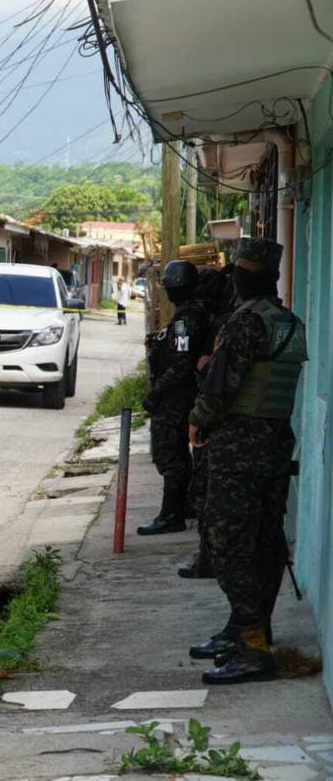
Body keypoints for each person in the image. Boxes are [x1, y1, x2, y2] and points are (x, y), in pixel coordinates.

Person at [188, 238, 307, 685]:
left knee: (225, 540)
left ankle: (254, 647)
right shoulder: (289, 323)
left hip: (239, 445)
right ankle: (246, 630)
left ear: (244, 275)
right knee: (263, 539)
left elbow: (222, 385)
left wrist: (198, 420)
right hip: (275, 443)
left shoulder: (245, 323)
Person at [138, 260, 208, 535]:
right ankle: (184, 504)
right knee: (177, 454)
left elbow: (182, 362)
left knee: (170, 455)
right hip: (180, 396)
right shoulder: (190, 315)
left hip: (175, 399)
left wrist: (157, 394)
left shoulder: (185, 319)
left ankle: (171, 514)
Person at [178, 266, 235, 579]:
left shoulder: (230, 325)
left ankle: (210, 560)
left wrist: (198, 420)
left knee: (207, 496)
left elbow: (216, 380)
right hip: (232, 427)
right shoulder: (223, 321)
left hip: (220, 427)